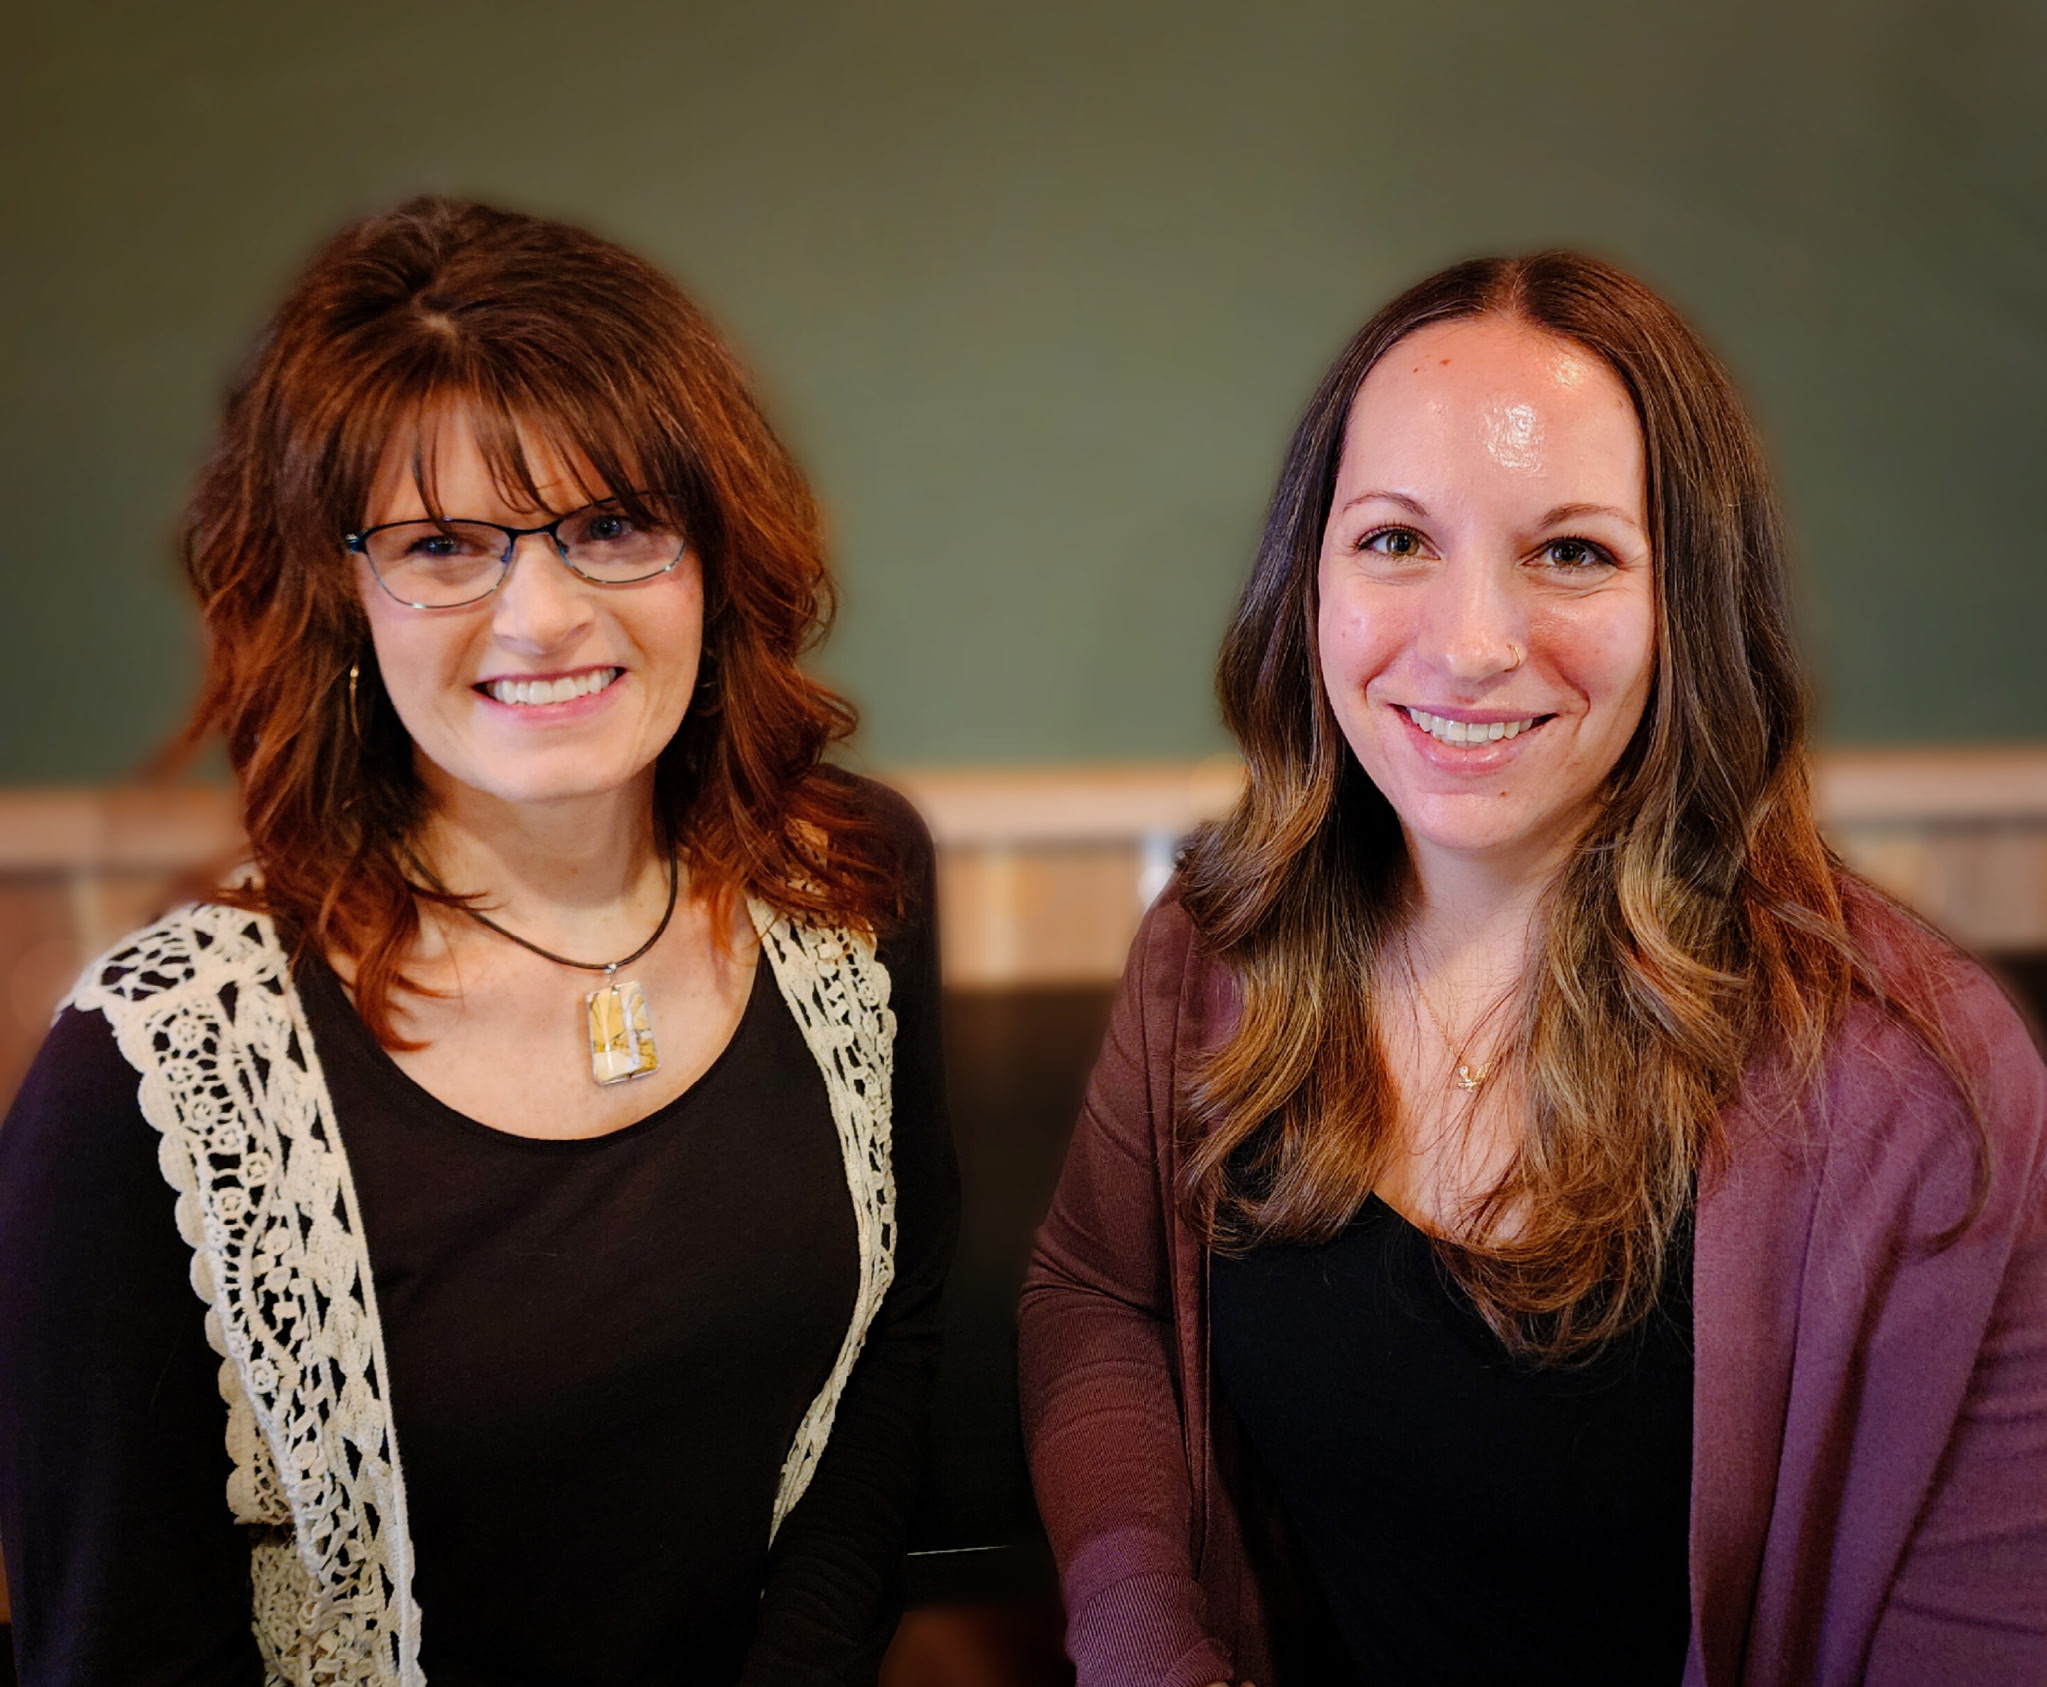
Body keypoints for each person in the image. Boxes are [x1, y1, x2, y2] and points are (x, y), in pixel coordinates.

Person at [1018, 253, 2047, 1687]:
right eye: (1396, 540)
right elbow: (1097, 1294)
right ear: (1308, 579)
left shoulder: (1920, 1090)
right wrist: (1141, 1635)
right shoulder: (1214, 945)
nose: (1471, 646)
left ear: (1690, 606)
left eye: (1572, 553)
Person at [0, 197, 957, 1685]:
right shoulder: (144, 1078)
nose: (543, 616)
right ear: (342, 598)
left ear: (714, 551)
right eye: (443, 544)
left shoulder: (845, 877)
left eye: (613, 525)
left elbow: (892, 1348)